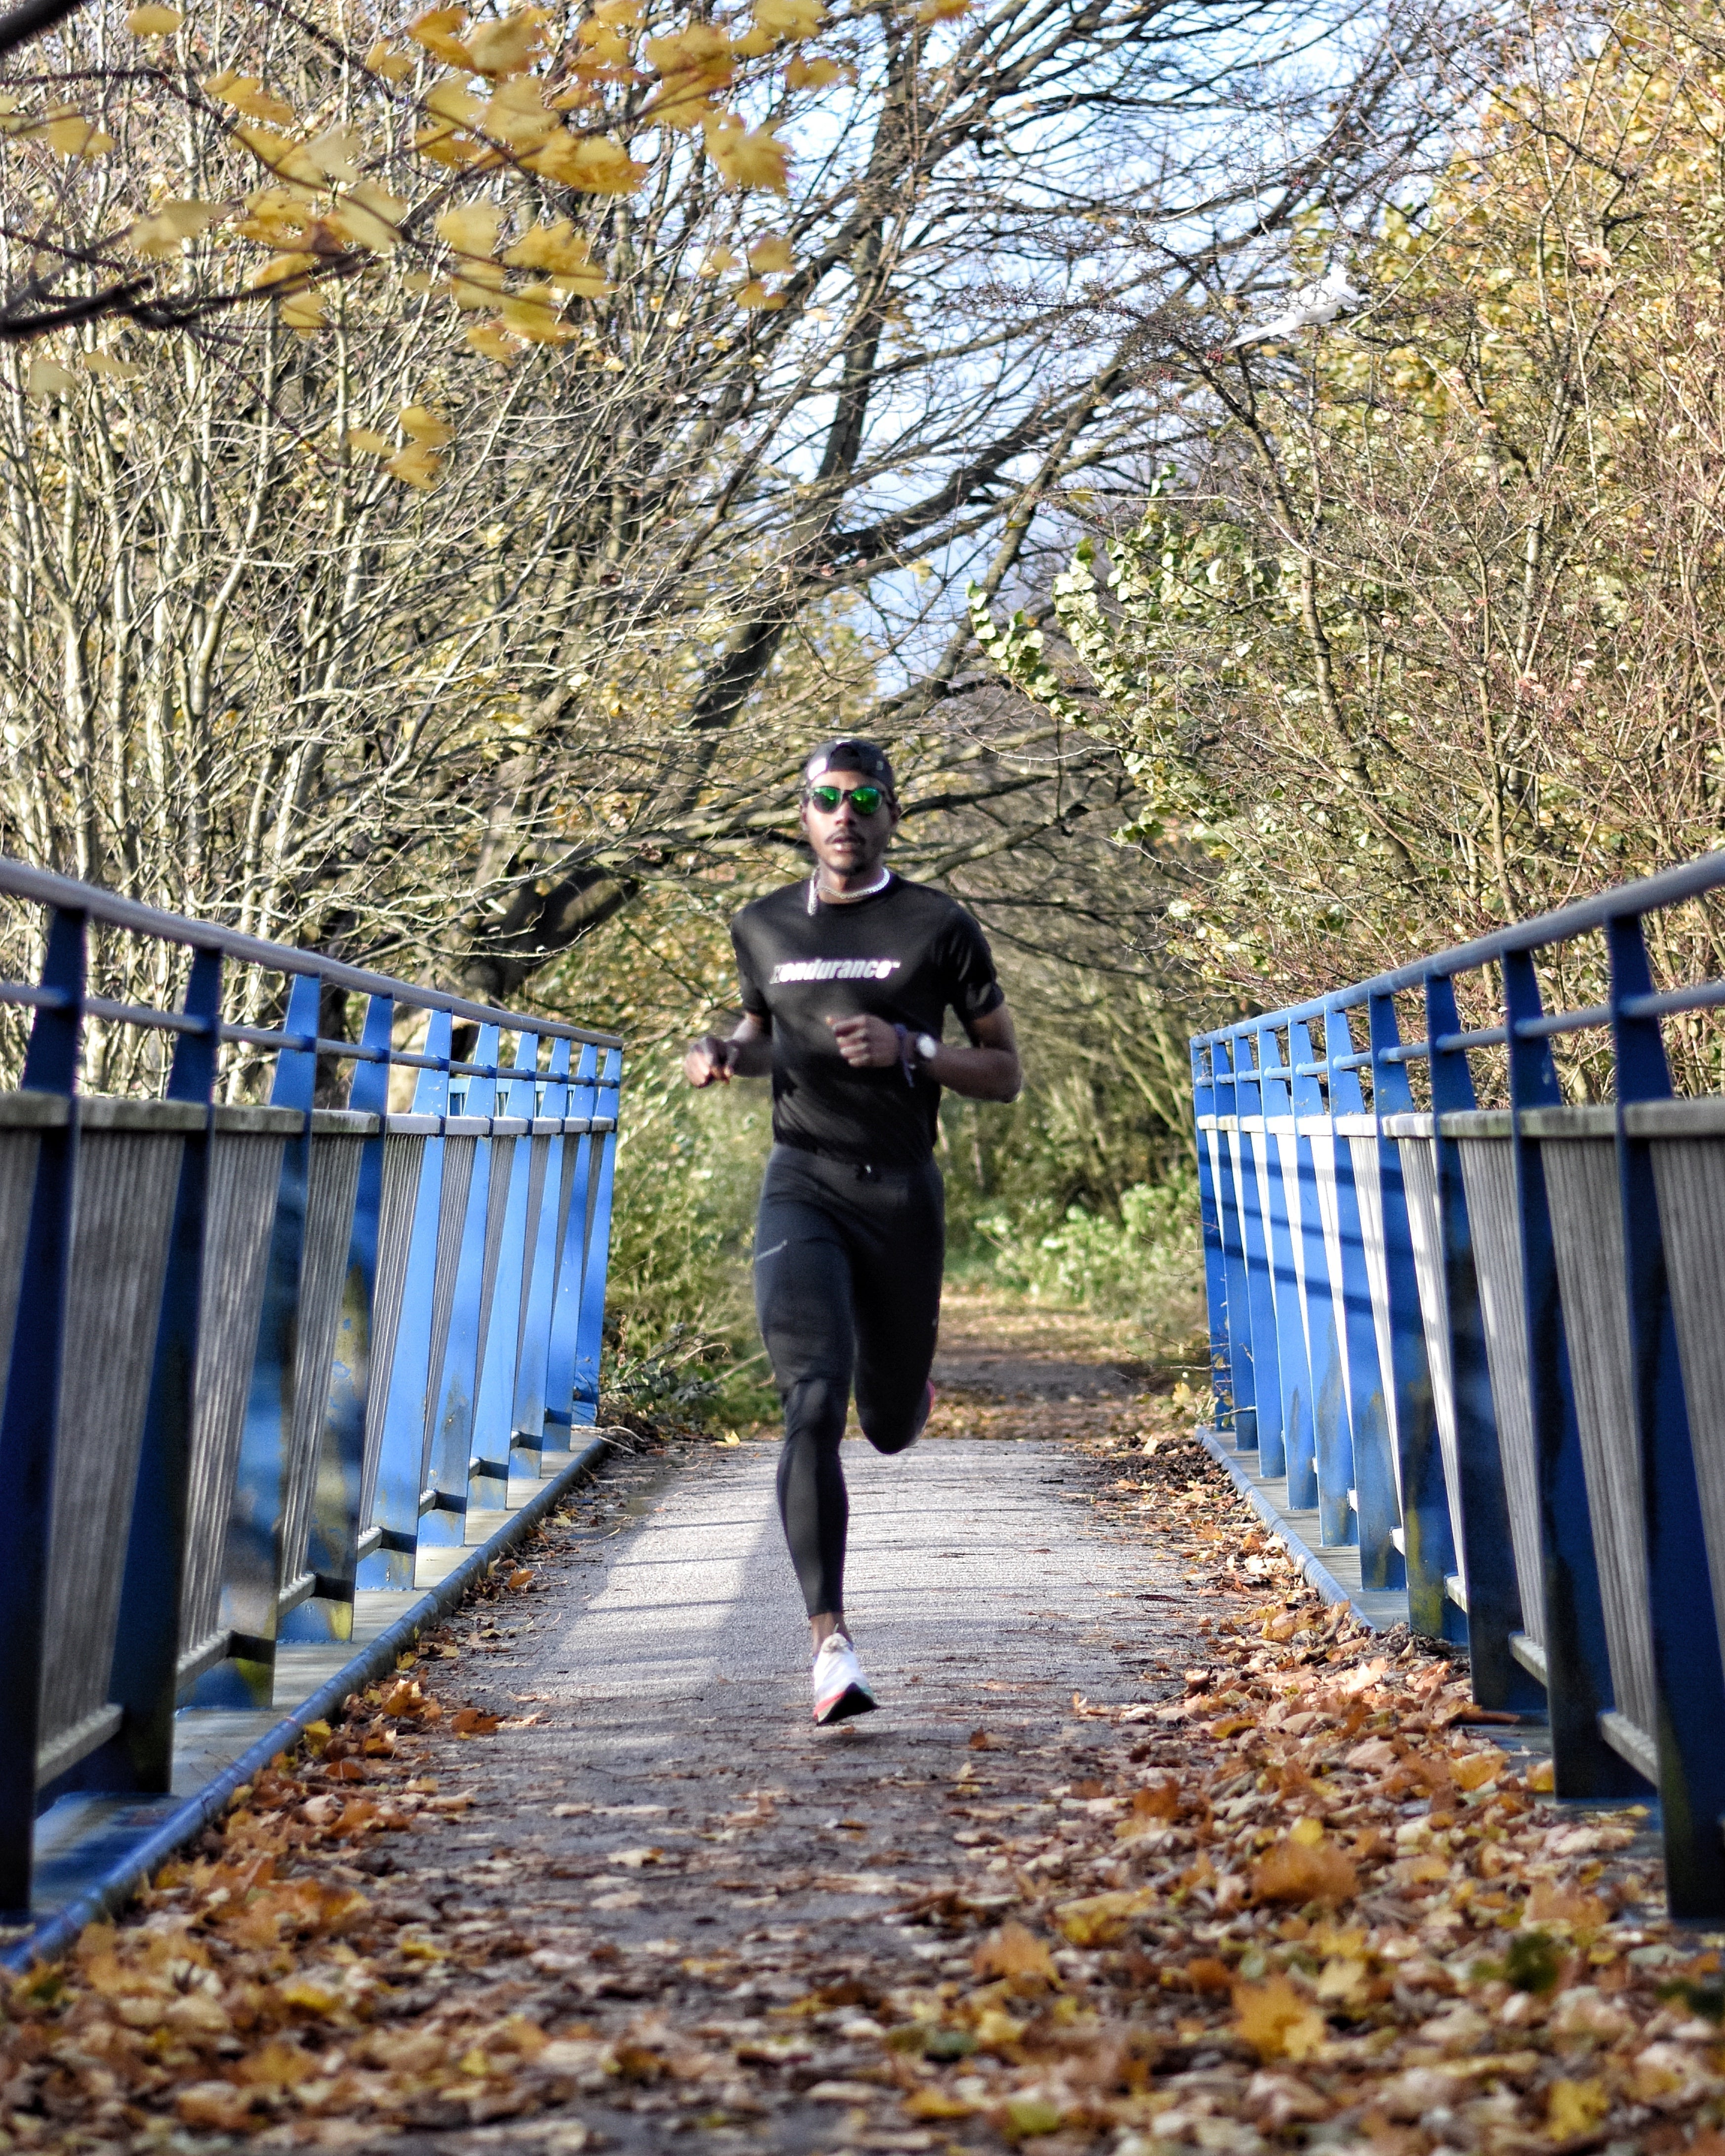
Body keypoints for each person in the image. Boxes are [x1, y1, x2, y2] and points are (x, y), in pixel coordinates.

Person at [685, 740, 1022, 1724]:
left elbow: (1005, 1069)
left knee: (884, 1424)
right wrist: (721, 1052)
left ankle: (906, 1383)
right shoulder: (762, 924)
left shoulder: (938, 926)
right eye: (827, 799)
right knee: (811, 1399)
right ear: (803, 816)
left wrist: (914, 1050)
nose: (846, 814)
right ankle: (829, 1640)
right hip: (805, 1183)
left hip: (903, 1193)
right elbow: (760, 1033)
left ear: (891, 814)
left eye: (864, 798)